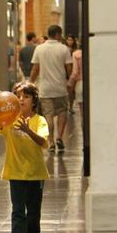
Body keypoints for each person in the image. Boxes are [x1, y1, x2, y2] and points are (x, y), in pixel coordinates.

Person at [0, 82, 50, 233]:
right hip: (15, 172)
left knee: (33, 211)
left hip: (36, 173)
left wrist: (28, 130)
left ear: (34, 101)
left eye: (26, 96)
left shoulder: (40, 121)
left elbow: (43, 142)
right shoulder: (9, 120)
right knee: (17, 209)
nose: (22, 100)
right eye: (18, 96)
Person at [30, 24, 72, 153]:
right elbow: (69, 69)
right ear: (58, 34)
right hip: (60, 88)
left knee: (48, 115)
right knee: (62, 113)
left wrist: (30, 82)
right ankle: (59, 137)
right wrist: (69, 82)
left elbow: (36, 69)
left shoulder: (39, 49)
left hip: (45, 88)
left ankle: (51, 142)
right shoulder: (64, 49)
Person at [69, 42, 83, 115]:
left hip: (80, 83)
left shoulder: (76, 54)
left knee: (82, 111)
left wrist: (70, 83)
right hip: (92, 83)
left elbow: (75, 72)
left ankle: (83, 125)